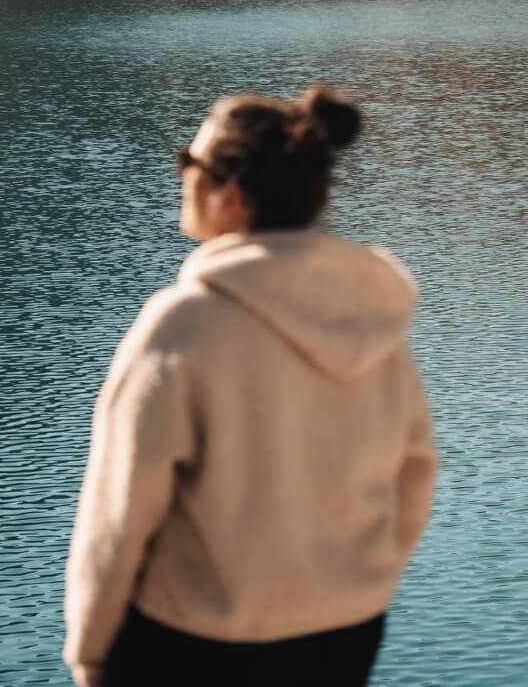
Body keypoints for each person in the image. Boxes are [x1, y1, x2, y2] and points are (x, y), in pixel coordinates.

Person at [62, 84, 438, 687]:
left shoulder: (184, 322)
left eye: (191, 162)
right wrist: (364, 584)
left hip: (194, 642)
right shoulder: (370, 316)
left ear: (233, 197)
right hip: (343, 635)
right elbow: (415, 473)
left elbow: (120, 510)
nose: (181, 171)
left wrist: (89, 650)